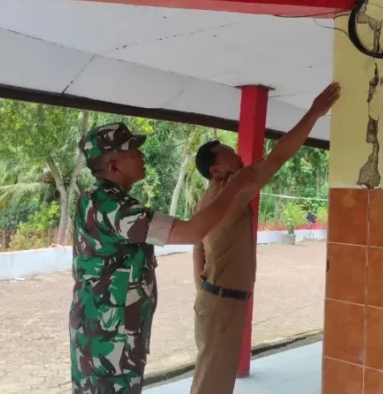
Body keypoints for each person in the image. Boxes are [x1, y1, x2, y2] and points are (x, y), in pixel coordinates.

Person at [69, 121, 259, 393]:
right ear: (113, 166)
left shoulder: (94, 198)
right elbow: (192, 232)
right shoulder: (115, 207)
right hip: (110, 335)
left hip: (101, 325)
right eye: (134, 152)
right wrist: (235, 184)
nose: (143, 156)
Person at [189, 82, 340, 394]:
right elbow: (280, 154)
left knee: (212, 376)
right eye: (232, 156)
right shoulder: (234, 187)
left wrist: (205, 288)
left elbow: (197, 247)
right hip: (221, 300)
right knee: (213, 381)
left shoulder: (210, 197)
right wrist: (314, 113)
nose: (241, 159)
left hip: (216, 297)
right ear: (216, 171)